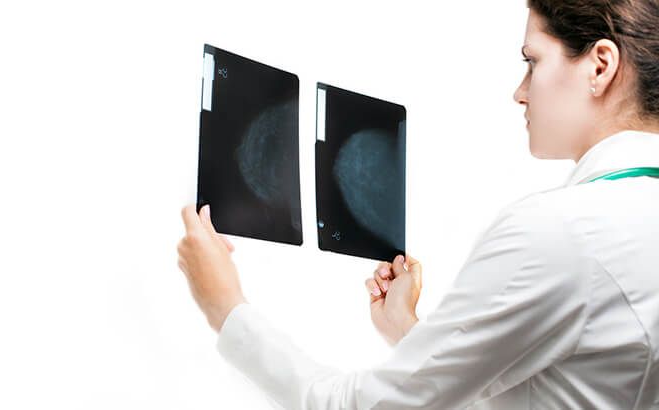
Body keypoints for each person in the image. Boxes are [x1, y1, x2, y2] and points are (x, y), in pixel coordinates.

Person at [177, 1, 659, 408]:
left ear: (600, 65)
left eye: (531, 61)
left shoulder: (560, 233)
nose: (519, 92)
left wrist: (225, 309)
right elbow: (560, 389)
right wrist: (409, 333)